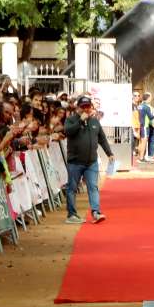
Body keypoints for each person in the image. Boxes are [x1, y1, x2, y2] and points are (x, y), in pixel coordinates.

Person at [64, 95, 114, 224]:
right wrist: (80, 121)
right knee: (72, 188)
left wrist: (109, 153)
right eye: (83, 107)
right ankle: (71, 214)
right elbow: (68, 132)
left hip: (91, 162)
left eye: (88, 106)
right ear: (78, 108)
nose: (86, 109)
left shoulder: (95, 122)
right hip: (75, 161)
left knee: (93, 187)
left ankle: (96, 212)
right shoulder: (70, 120)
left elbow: (102, 138)